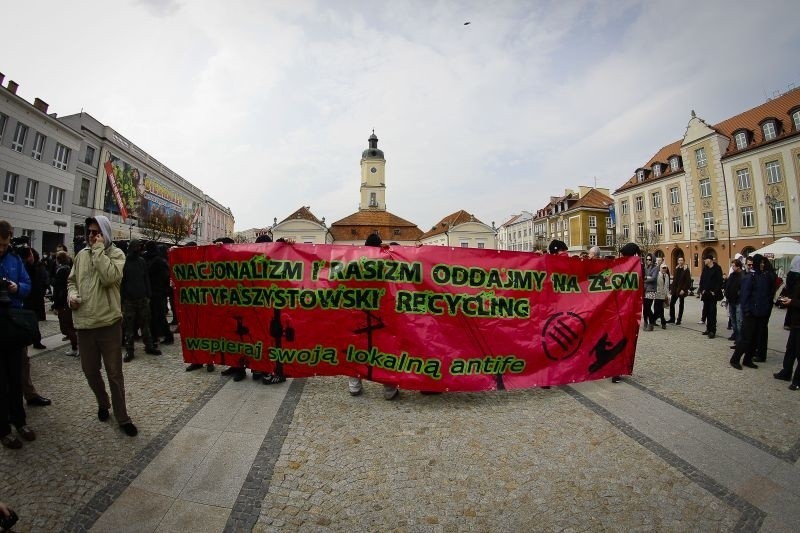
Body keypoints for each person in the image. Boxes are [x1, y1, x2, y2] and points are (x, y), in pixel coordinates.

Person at [67, 216, 138, 437]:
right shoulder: (80, 255)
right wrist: (71, 294)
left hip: (108, 323)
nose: (91, 236)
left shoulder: (116, 254)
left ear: (105, 234)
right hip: (85, 323)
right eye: (89, 232)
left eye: (96, 232)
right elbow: (72, 281)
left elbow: (109, 278)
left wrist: (98, 251)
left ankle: (122, 416)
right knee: (90, 371)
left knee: (114, 373)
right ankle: (102, 402)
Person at [348, 234, 399, 400]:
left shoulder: (355, 260)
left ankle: (354, 385)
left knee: (357, 349)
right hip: (381, 310)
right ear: (379, 246)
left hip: (358, 310)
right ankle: (389, 389)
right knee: (385, 349)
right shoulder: (385, 259)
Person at [0, 220, 37, 449]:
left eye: (4, 244)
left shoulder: (14, 259)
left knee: (16, 377)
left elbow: (27, 284)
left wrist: (16, 288)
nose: (1, 248)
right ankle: (3, 429)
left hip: (13, 322)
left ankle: (19, 420)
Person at [730, 254, 773, 371]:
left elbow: (767, 294)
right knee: (746, 338)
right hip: (751, 313)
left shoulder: (764, 276)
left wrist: (766, 309)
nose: (763, 264)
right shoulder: (750, 277)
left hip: (761, 313)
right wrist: (747, 311)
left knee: (756, 339)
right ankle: (735, 359)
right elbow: (744, 295)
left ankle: (748, 359)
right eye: (761, 262)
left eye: (764, 262)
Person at [121, 240, 161, 362]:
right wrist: (123, 298)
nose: (139, 249)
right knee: (129, 326)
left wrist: (148, 294)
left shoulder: (141, 261)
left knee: (145, 324)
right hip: (129, 300)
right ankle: (129, 350)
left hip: (142, 298)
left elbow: (146, 278)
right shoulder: (124, 262)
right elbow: (122, 282)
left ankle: (148, 346)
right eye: (137, 247)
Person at [145, 242, 174, 346]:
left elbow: (164, 277)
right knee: (156, 315)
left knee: (158, 315)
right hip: (156, 291)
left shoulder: (157, 261)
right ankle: (158, 335)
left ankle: (165, 336)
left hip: (157, 291)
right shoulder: (158, 260)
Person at [53, 251, 79, 356]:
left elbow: (59, 288)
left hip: (64, 301)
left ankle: (76, 346)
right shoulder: (69, 269)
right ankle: (76, 345)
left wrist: (56, 304)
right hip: (67, 299)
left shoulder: (61, 270)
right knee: (70, 325)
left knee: (67, 326)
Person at [699, 255, 723, 339]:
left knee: (712, 312)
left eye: (705, 259)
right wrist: (701, 289)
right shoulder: (705, 268)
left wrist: (715, 291)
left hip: (713, 294)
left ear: (709, 260)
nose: (704, 261)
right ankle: (708, 329)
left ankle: (713, 330)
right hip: (706, 294)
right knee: (707, 311)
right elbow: (702, 279)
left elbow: (719, 281)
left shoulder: (717, 268)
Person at [725, 259, 743, 345]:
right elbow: (728, 285)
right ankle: (735, 333)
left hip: (738, 301)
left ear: (738, 266)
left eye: (733, 266)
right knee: (733, 319)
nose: (732, 267)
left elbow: (742, 289)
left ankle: (740, 338)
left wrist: (738, 294)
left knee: (739, 320)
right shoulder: (732, 275)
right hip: (731, 300)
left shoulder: (742, 275)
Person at [668, 256, 691, 325]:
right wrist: (671, 288)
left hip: (681, 290)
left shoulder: (686, 270)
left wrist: (684, 289)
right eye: (679, 260)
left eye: (681, 260)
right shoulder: (677, 269)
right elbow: (674, 280)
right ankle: (672, 318)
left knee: (681, 304)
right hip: (675, 289)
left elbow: (688, 281)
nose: (680, 261)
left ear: (683, 261)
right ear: (678, 261)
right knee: (672, 303)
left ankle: (679, 319)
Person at [642, 254, 657, 331]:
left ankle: (651, 323)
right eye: (647, 259)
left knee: (648, 308)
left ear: (653, 260)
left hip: (651, 290)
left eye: (650, 259)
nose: (648, 261)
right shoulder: (646, 268)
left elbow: (653, 278)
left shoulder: (655, 268)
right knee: (645, 308)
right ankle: (645, 322)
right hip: (644, 290)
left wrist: (645, 278)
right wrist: (648, 277)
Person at [654, 264, 670, 329]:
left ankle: (653, 320)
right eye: (663, 268)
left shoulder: (667, 276)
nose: (664, 269)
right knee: (660, 309)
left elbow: (667, 285)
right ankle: (663, 322)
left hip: (664, 294)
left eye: (665, 268)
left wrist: (667, 294)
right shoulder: (657, 275)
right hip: (657, 294)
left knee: (660, 309)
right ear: (660, 268)